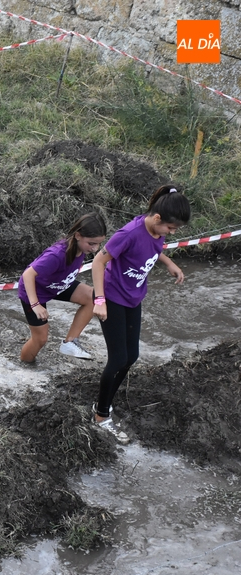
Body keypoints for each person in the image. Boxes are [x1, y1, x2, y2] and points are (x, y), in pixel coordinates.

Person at [90, 186, 190, 443]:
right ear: (157, 219)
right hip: (111, 297)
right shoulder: (129, 233)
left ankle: (105, 402)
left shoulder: (155, 231)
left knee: (131, 356)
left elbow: (154, 247)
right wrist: (99, 300)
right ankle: (101, 415)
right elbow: (98, 262)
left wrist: (169, 263)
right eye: (171, 228)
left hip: (133, 298)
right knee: (118, 358)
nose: (172, 233)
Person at [18, 213, 107, 363]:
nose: (95, 249)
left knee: (92, 297)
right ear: (78, 235)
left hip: (58, 284)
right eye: (91, 243)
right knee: (40, 339)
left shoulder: (80, 248)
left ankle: (70, 342)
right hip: (34, 291)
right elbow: (28, 275)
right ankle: (25, 366)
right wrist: (35, 305)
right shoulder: (57, 255)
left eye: (99, 244)